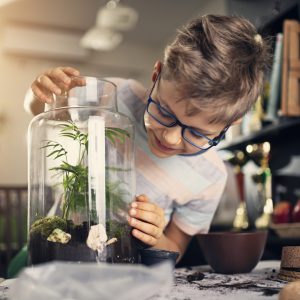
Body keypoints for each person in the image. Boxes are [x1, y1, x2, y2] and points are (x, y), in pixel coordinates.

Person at [24, 14, 271, 261]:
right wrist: (42, 91)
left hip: (122, 269)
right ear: (156, 75)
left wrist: (155, 237)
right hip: (57, 250)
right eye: (165, 111)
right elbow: (38, 110)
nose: (171, 138)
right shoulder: (117, 96)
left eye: (197, 133)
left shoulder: (211, 177)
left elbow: (175, 250)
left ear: (232, 123)